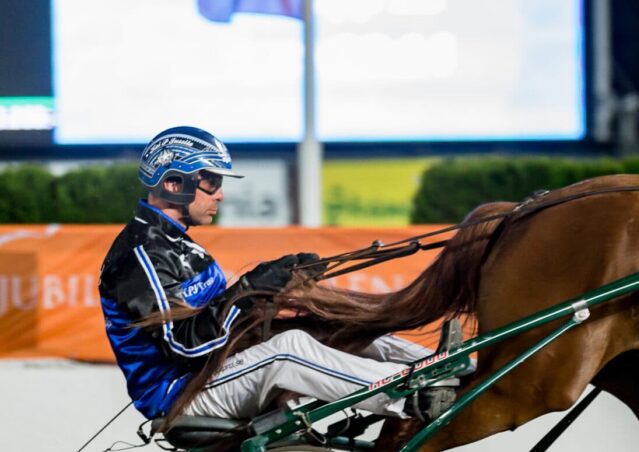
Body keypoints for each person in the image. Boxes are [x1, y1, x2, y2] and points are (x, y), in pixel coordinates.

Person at [99, 125, 452, 424]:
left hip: (213, 372)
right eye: (211, 182)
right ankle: (409, 395)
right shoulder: (137, 258)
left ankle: (446, 367)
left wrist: (277, 283)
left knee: (332, 325)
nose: (220, 195)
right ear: (174, 183)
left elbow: (222, 323)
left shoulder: (181, 245)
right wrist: (248, 290)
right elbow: (184, 347)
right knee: (288, 349)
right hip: (180, 394)